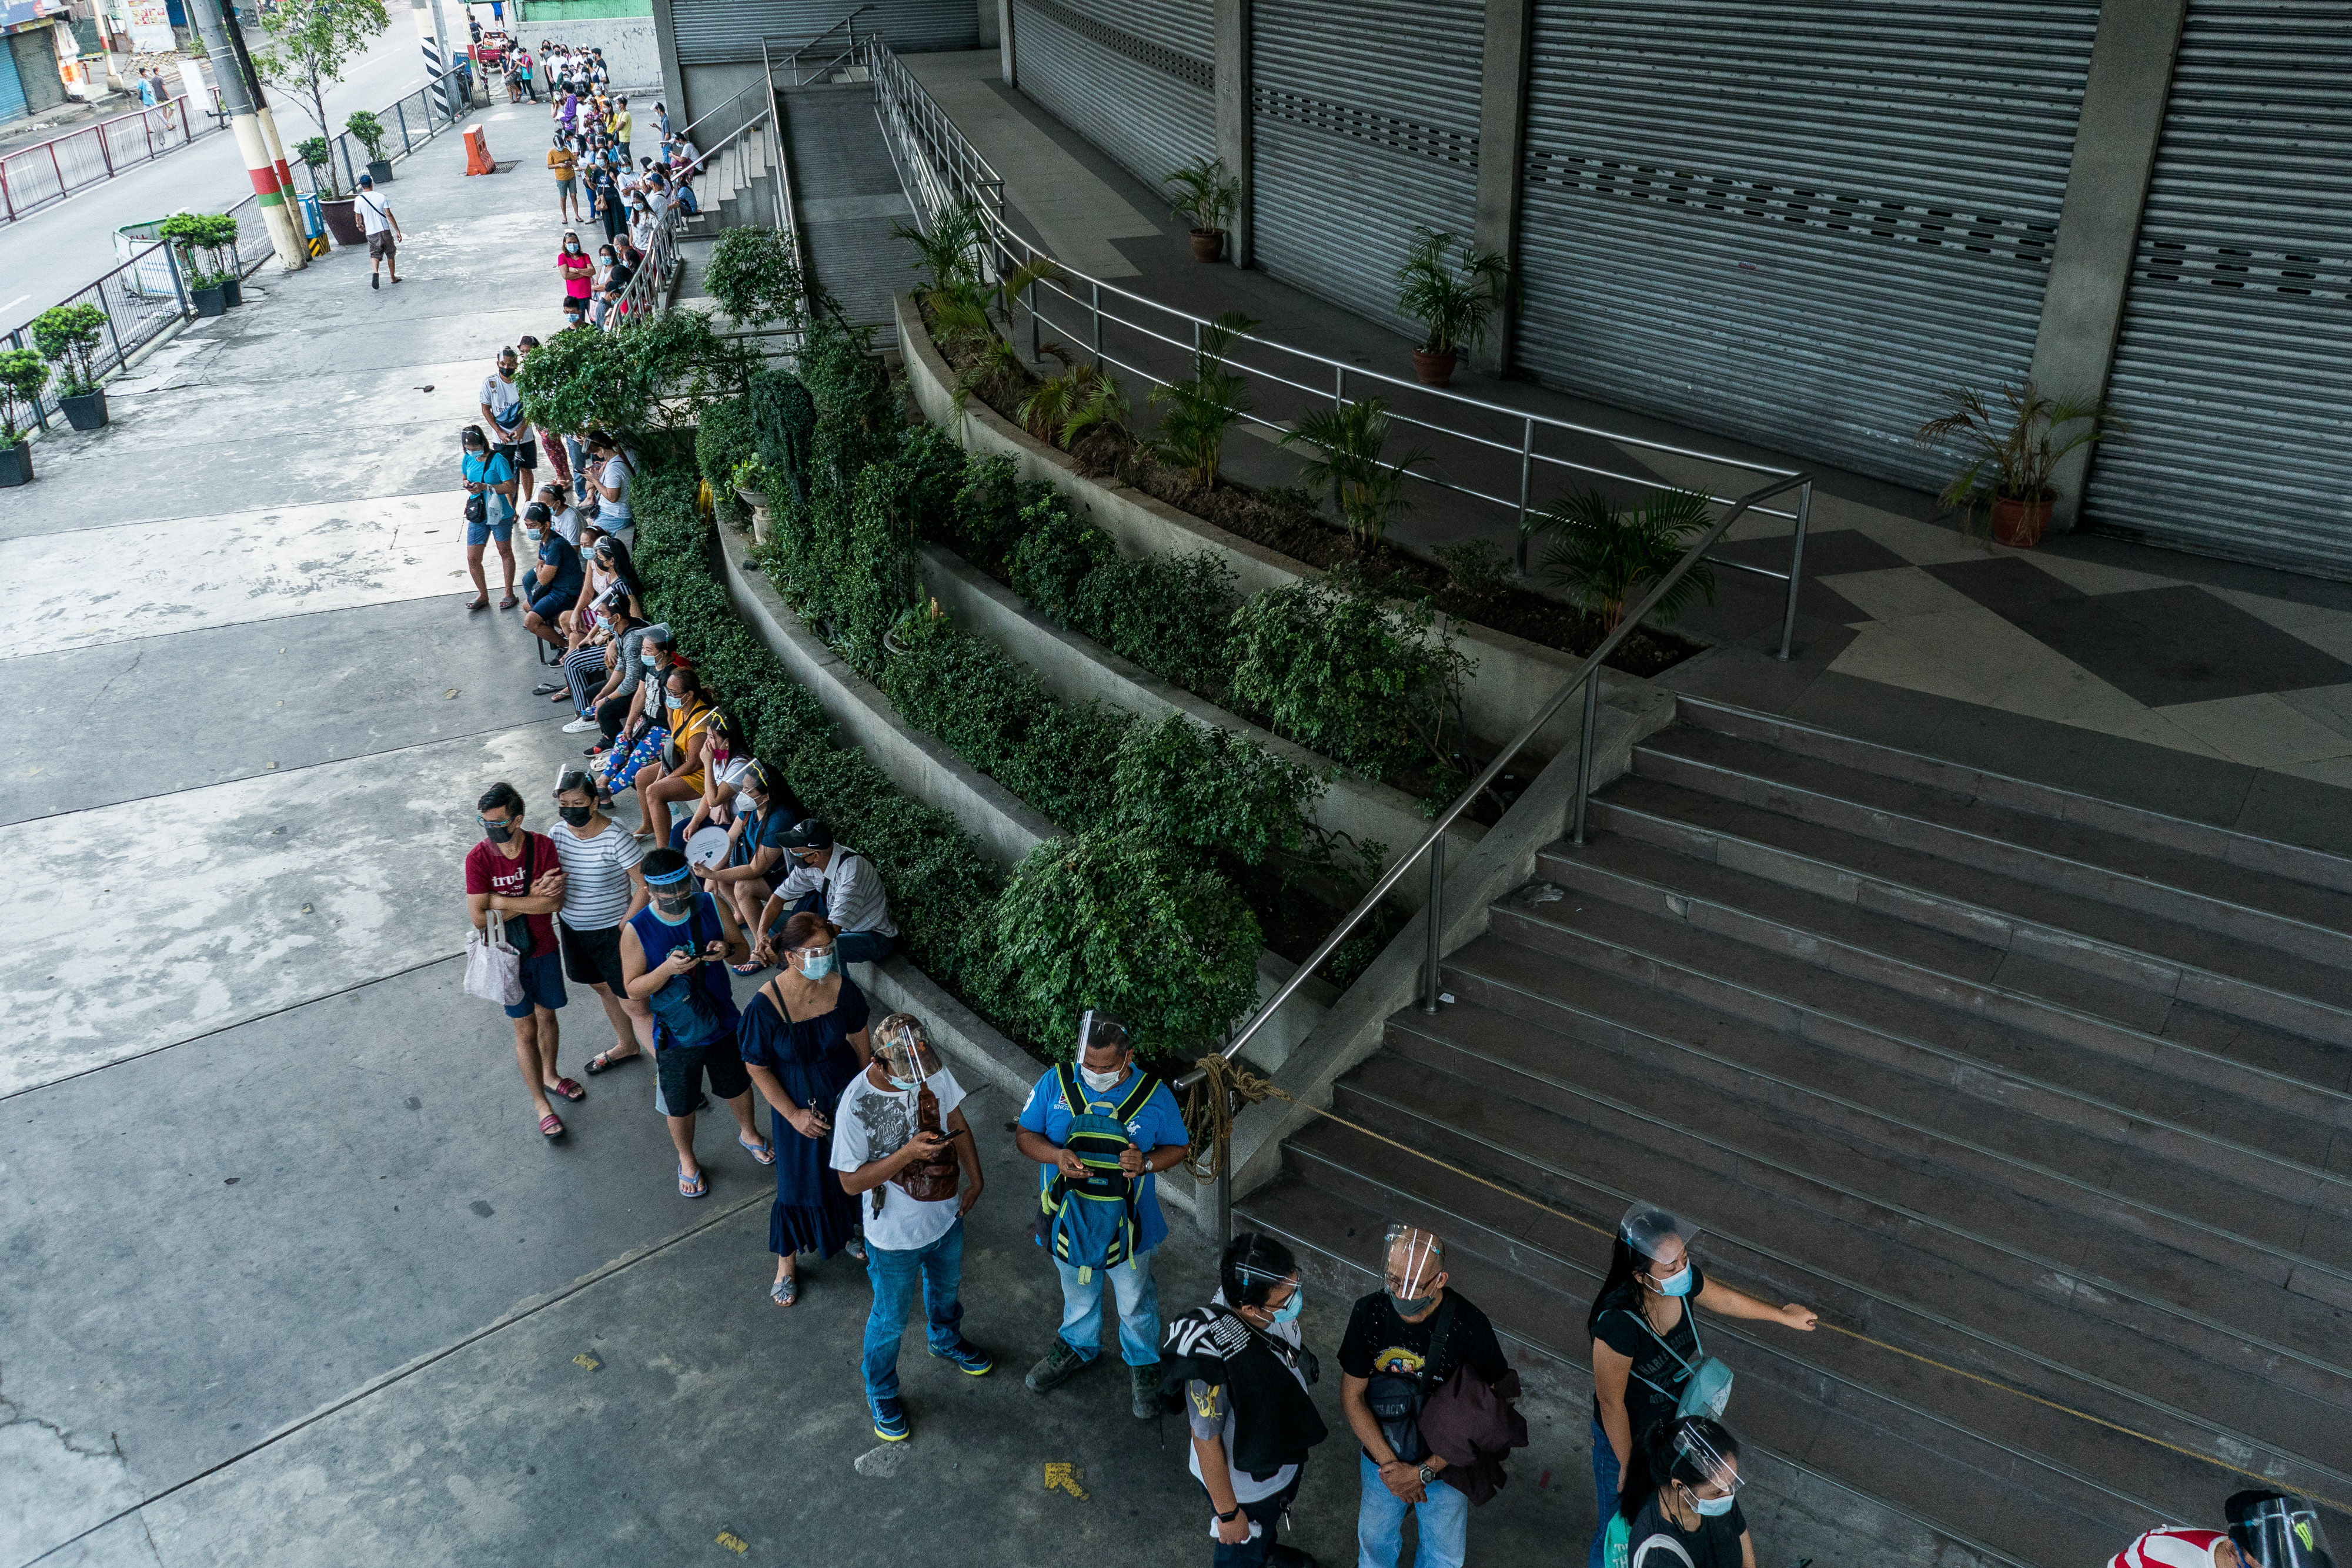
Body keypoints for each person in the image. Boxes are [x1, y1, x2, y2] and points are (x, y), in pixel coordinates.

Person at [1587, 1206, 1816, 1568]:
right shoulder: (1617, 1325)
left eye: (1684, 1258)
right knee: (1620, 1528)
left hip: (1678, 1430)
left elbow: (1723, 1298)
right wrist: (1628, 1464)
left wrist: (1782, 1315)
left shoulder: (1683, 1284)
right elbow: (1610, 1402)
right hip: (1629, 1437)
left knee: (1685, 1507)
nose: (1683, 1271)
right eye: (1671, 1267)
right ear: (1641, 1277)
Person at [1015, 1012, 1189, 1419]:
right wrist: (1056, 1155)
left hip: (1131, 1231)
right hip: (1068, 1222)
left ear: (1129, 1056)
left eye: (1105, 1066)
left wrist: (1144, 1163)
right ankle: (1078, 1345)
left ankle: (1144, 1362)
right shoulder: (1056, 1081)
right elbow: (1026, 1135)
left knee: (1134, 1299)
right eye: (1087, 1063)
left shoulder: (1154, 1095)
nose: (1092, 1073)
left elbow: (1178, 1147)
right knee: (1077, 1291)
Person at [830, 1012, 992, 1441]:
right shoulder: (855, 1103)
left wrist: (976, 1180)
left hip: (946, 1217)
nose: (916, 1076)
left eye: (921, 1062)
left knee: (946, 1288)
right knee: (890, 1319)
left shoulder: (929, 1069)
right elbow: (849, 1182)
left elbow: (957, 1125)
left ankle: (945, 1337)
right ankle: (880, 1389)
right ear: (879, 1062)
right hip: (893, 1238)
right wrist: (906, 1154)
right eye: (905, 1069)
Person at [1339, 1226, 1510, 1568]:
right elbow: (1353, 1396)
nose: (1401, 1294)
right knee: (1374, 1540)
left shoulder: (1470, 1325)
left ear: (1440, 1280)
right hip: (1382, 1458)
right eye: (1393, 1280)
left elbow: (1489, 1407)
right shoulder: (1368, 1313)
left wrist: (1424, 1472)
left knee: (1443, 1553)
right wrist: (1392, 1467)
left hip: (1445, 1467)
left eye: (1414, 1285)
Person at [1162, 1232, 1328, 1567]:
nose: (1294, 1302)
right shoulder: (1209, 1360)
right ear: (1249, 1308)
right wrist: (1228, 1515)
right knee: (1238, 1551)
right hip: (1246, 1491)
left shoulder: (1262, 1305)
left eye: (1295, 1287)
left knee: (1263, 1530)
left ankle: (1263, 1548)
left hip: (1277, 1459)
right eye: (1285, 1300)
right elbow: (1205, 1439)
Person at [739, 910, 872, 1306]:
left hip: (845, 1089)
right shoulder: (765, 1005)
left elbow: (860, 1035)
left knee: (849, 1165)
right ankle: (786, 1263)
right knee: (798, 1182)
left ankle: (849, 1229)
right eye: (814, 951)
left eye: (828, 949)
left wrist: (864, 1088)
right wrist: (792, 1114)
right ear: (791, 955)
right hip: (796, 1099)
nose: (824, 956)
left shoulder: (841, 987)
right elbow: (756, 1066)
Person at [620, 848, 770, 1198]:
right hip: (677, 1033)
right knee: (681, 1102)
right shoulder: (637, 930)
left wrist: (726, 952)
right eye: (666, 890)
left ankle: (748, 1132)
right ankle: (687, 1159)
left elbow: (742, 952)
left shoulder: (711, 905)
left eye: (681, 886)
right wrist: (666, 970)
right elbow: (632, 987)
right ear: (651, 890)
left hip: (722, 1018)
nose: (676, 896)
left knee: (736, 1084)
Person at [465, 781, 580, 1139]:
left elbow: (553, 904)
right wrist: (526, 897)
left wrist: (499, 901)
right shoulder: (478, 858)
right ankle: (540, 1104)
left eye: (497, 821)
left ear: (517, 820)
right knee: (525, 1028)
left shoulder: (542, 847)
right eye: (484, 822)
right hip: (506, 955)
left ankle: (551, 1074)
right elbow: (479, 919)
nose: (490, 829)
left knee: (548, 1017)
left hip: (544, 947)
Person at [547, 766, 656, 1076]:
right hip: (574, 929)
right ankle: (628, 1044)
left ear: (595, 803)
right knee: (603, 989)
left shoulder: (615, 837)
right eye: (564, 805)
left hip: (612, 933)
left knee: (635, 1003)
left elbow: (645, 886)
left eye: (578, 804)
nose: (571, 811)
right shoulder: (557, 834)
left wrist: (625, 924)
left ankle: (674, 1074)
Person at [754, 819, 897, 967]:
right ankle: (791, 966)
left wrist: (783, 949)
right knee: (772, 922)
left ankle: (838, 988)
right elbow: (778, 898)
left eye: (795, 851)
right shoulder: (810, 863)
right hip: (834, 926)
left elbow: (832, 933)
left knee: (822, 951)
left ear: (815, 856)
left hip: (872, 937)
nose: (792, 854)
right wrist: (761, 934)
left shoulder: (851, 874)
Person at [1615, 1417, 1751, 1568]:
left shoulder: (1720, 1487)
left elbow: (1744, 1545)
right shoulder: (1657, 1558)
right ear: (1680, 1486)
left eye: (1732, 1484)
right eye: (1718, 1492)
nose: (1730, 1497)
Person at [698, 760, 794, 965]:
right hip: (766, 870)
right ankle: (742, 914)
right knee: (724, 875)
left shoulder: (779, 820)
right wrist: (714, 871)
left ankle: (762, 948)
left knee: (742, 887)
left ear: (766, 795)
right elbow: (730, 839)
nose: (742, 795)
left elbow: (756, 868)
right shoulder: (752, 809)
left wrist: (712, 875)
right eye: (743, 788)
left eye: (748, 790)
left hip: (787, 876)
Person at [637, 666, 721, 848]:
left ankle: (663, 851)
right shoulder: (680, 708)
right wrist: (670, 710)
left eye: (673, 693)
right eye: (667, 691)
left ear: (689, 694)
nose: (669, 696)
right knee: (642, 777)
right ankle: (648, 825)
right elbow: (674, 738)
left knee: (654, 791)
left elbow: (693, 764)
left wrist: (664, 780)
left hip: (702, 774)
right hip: (682, 762)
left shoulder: (700, 724)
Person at [460, 425, 518, 611]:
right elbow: (463, 477)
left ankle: (509, 593)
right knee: (472, 558)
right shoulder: (468, 459)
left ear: (483, 443)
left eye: (475, 447)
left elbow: (510, 487)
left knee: (505, 552)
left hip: (499, 513)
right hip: (478, 514)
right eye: (468, 448)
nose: (472, 451)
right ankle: (483, 595)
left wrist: (486, 487)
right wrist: (467, 484)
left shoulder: (498, 460)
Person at [479, 347, 537, 526]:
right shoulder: (490, 384)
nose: (507, 367)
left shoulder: (524, 382)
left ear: (516, 364)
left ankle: (529, 505)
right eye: (503, 364)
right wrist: (499, 432)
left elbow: (531, 406)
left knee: (526, 470)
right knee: (507, 475)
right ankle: (512, 508)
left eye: (511, 364)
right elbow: (486, 409)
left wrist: (522, 429)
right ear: (498, 364)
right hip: (502, 440)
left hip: (524, 437)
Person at [520, 502, 584, 654]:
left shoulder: (556, 545)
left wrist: (542, 571)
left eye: (533, 525)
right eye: (527, 525)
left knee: (531, 621)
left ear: (546, 525)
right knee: (527, 606)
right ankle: (563, 634)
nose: (529, 529)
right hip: (555, 588)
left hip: (566, 592)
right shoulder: (544, 541)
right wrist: (542, 570)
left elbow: (542, 580)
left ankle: (566, 646)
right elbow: (539, 567)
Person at [584, 429, 634, 545]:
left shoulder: (614, 469)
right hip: (607, 512)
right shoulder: (611, 463)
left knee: (589, 539)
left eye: (596, 453)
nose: (596, 456)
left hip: (616, 516)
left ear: (602, 449)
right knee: (583, 525)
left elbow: (612, 498)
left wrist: (594, 481)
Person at [353, 173, 401, 288]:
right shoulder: (381, 197)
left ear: (361, 186)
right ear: (371, 184)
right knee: (390, 253)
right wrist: (397, 230)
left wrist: (360, 226)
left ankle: (375, 271)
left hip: (371, 232)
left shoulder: (359, 200)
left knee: (374, 253)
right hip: (384, 230)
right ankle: (392, 277)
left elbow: (358, 217)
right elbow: (388, 214)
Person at [548, 136, 582, 221]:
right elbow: (549, 166)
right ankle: (564, 216)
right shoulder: (551, 153)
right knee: (563, 198)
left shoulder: (566, 150)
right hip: (561, 177)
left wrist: (570, 162)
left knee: (573, 196)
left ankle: (577, 215)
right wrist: (559, 165)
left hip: (571, 175)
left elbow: (575, 161)